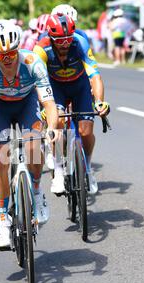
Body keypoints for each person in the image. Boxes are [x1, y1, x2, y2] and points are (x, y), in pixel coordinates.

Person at [0, 19, 61, 249]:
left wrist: (52, 128)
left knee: (34, 146)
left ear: (18, 49)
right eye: (1, 55)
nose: (7, 59)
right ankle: (3, 222)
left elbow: (49, 103)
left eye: (11, 53)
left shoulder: (32, 62)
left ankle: (36, 189)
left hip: (26, 103)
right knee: (0, 158)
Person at [33, 14, 110, 196]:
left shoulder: (80, 42)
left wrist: (99, 102)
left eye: (68, 38)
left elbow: (95, 75)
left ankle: (88, 169)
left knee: (86, 130)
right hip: (55, 88)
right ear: (51, 37)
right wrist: (44, 107)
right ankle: (58, 170)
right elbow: (37, 82)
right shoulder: (41, 48)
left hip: (79, 86)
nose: (65, 43)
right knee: (58, 122)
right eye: (60, 40)